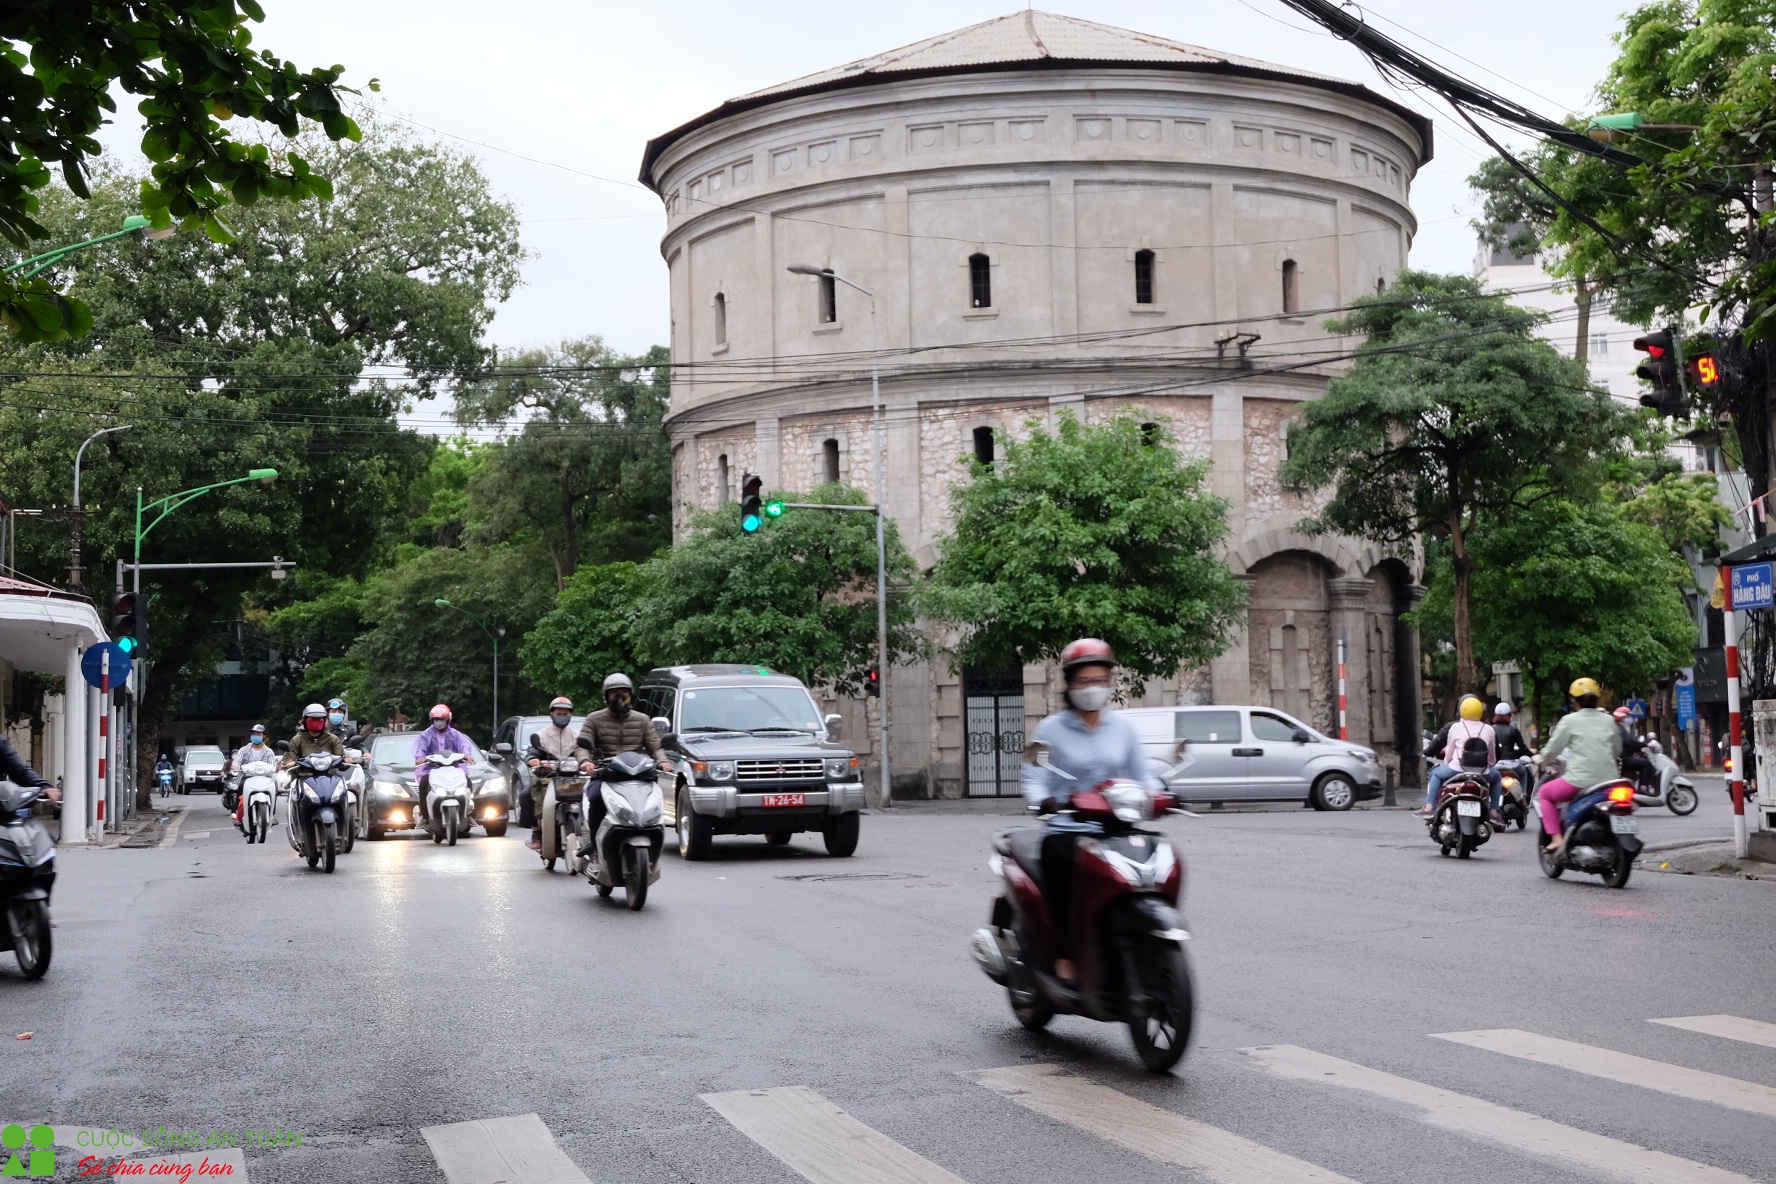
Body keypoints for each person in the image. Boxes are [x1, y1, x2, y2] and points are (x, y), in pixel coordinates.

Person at [1021, 638, 1157, 985]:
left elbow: (1143, 775)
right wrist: (1043, 801)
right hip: (1068, 831)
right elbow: (1036, 777)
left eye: (1100, 680)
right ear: (1069, 684)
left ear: (1110, 683)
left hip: (1117, 828)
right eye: (1084, 681)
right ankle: (1066, 953)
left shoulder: (1122, 727)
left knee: (1153, 866)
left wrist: (1161, 794)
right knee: (1065, 878)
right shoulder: (1051, 729)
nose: (1093, 688)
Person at [574, 674, 669, 858]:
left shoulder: (642, 719)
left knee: (654, 801)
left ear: (630, 694)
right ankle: (594, 844)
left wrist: (663, 760)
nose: (619, 696)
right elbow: (581, 745)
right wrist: (585, 761)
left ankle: (651, 836)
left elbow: (654, 745)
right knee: (595, 797)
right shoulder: (595, 719)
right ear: (606, 695)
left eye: (623, 692)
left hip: (637, 774)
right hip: (605, 774)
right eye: (614, 693)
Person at [1535, 678, 1623, 853]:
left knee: (1544, 793)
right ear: (1597, 699)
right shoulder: (1609, 720)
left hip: (1579, 781)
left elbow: (1553, 749)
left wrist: (1541, 759)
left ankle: (1556, 838)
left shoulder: (1569, 720)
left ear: (1574, 700)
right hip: (1610, 781)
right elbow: (1617, 750)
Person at [1416, 696, 1504, 822]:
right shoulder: (1489, 729)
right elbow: (1492, 758)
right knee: (1497, 778)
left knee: (1435, 774)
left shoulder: (1455, 727)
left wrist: (1448, 764)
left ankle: (1430, 807)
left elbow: (1449, 753)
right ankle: (1494, 812)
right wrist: (1487, 766)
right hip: (1482, 772)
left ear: (1461, 710)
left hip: (1457, 769)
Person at [526, 696, 580, 851]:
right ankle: (536, 831)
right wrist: (533, 760)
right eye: (559, 713)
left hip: (574, 778)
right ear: (551, 714)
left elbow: (587, 753)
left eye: (566, 714)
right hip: (549, 778)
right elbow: (532, 753)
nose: (562, 716)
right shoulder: (541, 736)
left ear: (571, 715)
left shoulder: (578, 736)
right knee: (525, 795)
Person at [411, 703, 474, 831]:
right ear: (432, 720)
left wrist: (467, 755)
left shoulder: (455, 734)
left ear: (448, 720)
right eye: (436, 720)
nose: (438, 722)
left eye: (441, 720)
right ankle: (425, 815)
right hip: (431, 769)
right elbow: (419, 750)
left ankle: (469, 812)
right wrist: (420, 758)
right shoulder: (425, 735)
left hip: (453, 769)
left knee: (468, 782)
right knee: (423, 783)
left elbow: (464, 746)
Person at [282, 703, 345, 773]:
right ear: (305, 720)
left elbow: (341, 759)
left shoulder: (333, 739)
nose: (316, 721)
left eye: (319, 719)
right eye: (312, 718)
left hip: (330, 778)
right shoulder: (297, 740)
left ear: (324, 720)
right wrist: (290, 763)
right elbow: (289, 759)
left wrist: (346, 760)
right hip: (304, 778)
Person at [230, 725, 272, 826]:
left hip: (264, 779)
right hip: (246, 778)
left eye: (258, 734)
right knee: (242, 796)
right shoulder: (243, 750)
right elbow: (236, 762)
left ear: (264, 736)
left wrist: (276, 768)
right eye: (253, 734)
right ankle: (238, 817)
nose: (255, 736)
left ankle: (272, 816)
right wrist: (236, 766)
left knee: (272, 792)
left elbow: (272, 765)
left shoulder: (269, 752)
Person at [1615, 706, 1655, 791]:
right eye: (1628, 716)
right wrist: (1645, 745)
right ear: (1622, 717)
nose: (1630, 718)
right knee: (1646, 764)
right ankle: (1643, 787)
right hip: (1624, 758)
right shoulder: (1620, 729)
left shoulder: (1621, 728)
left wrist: (1640, 748)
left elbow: (1628, 744)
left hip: (1623, 756)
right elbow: (1629, 742)